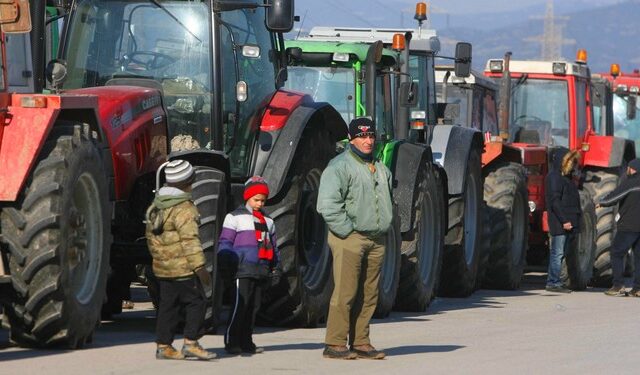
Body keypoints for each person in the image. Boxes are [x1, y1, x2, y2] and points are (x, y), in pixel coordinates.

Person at [316, 117, 393, 360]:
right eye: (362, 136)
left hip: (376, 239)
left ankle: (361, 342)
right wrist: (347, 231)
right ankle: (335, 343)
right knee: (346, 292)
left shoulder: (381, 168)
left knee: (369, 294)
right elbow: (327, 205)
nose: (368, 141)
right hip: (350, 237)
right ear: (351, 139)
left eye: (371, 136)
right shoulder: (339, 166)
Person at [145, 159, 216, 361]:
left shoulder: (156, 206)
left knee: (168, 306)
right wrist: (200, 268)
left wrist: (160, 260)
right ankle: (191, 343)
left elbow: (151, 239)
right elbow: (190, 240)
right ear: (188, 182)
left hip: (163, 268)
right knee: (197, 302)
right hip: (184, 268)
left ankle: (164, 345)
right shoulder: (184, 208)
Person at [218, 176, 279, 355]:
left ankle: (247, 341)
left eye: (263, 200)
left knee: (254, 308)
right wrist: (226, 261)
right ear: (247, 197)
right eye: (256, 200)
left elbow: (273, 247)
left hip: (261, 269)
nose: (259, 203)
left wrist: (276, 267)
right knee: (240, 306)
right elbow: (225, 241)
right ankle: (232, 340)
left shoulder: (269, 222)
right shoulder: (234, 217)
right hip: (242, 269)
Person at [597, 158, 640, 297]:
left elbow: (613, 198)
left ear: (632, 169)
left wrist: (601, 203)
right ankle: (638, 288)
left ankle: (618, 286)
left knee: (616, 252)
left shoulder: (630, 183)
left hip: (628, 225)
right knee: (638, 257)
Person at [545, 149, 582, 293]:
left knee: (562, 253)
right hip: (560, 223)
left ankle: (556, 281)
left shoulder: (567, 179)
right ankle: (553, 282)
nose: (574, 166)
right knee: (557, 253)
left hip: (569, 223)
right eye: (571, 162)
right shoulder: (554, 177)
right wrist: (564, 221)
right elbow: (554, 201)